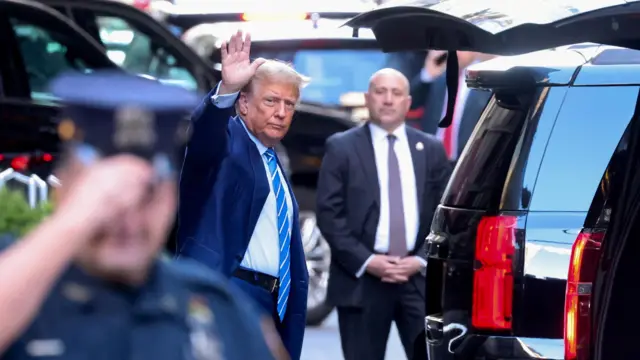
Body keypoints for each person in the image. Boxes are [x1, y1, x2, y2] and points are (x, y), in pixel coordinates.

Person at [0, 71, 285, 360]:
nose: (129, 221)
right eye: (106, 199)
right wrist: (71, 224)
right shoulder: (18, 281)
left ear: (172, 198)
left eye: (146, 197)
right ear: (64, 190)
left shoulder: (215, 309)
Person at [176, 30, 308, 360]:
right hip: (226, 292)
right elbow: (204, 138)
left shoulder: (273, 160)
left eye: (288, 104)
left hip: (271, 304)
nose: (281, 112)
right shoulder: (229, 142)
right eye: (271, 100)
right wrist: (227, 91)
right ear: (245, 104)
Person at [316, 68, 452, 360]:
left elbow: (446, 216)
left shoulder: (431, 149)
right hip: (361, 280)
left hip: (418, 280)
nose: (388, 100)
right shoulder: (342, 147)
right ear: (368, 98)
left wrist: (421, 260)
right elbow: (329, 214)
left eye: (396, 93)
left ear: (408, 101)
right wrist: (367, 260)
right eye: (380, 92)